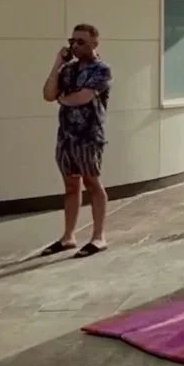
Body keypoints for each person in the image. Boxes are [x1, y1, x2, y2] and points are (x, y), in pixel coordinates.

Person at [40, 24, 112, 258]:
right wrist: (57, 64)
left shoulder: (101, 70)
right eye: (73, 41)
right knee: (71, 186)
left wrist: (63, 98)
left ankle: (98, 237)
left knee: (93, 184)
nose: (75, 46)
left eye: (81, 41)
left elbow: (82, 98)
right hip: (66, 137)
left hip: (89, 137)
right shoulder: (68, 70)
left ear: (94, 43)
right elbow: (48, 94)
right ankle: (68, 236)